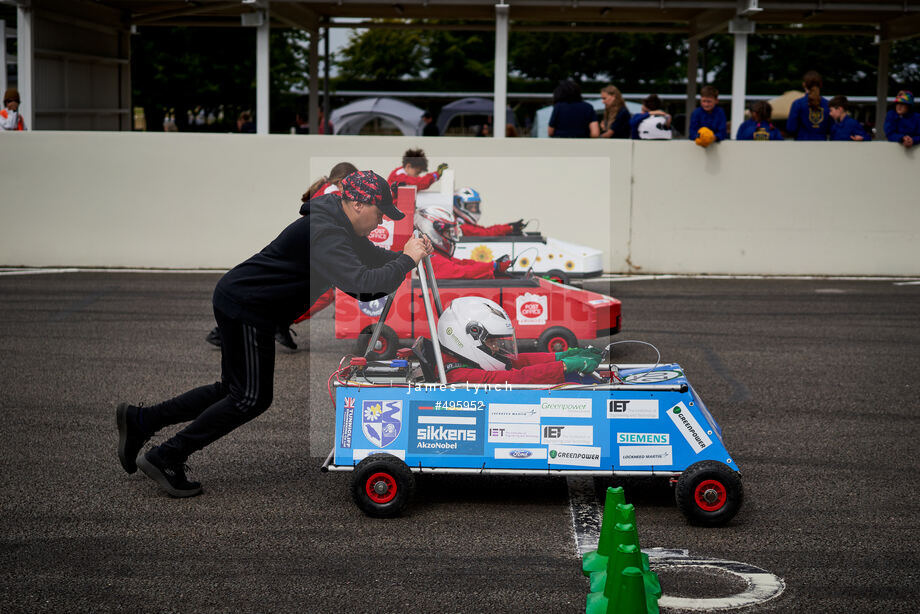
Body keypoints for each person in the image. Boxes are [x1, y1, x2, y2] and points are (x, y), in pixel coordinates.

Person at [117, 170, 433, 498]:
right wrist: (406, 259)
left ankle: (142, 420)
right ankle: (166, 455)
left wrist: (410, 259)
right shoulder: (325, 232)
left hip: (247, 303)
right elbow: (362, 283)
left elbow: (368, 284)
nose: (381, 221)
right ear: (356, 203)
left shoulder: (341, 227)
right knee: (250, 397)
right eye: (379, 212)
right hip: (248, 307)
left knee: (233, 390)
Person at [205, 162, 360, 350]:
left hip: (307, 252)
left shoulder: (329, 190)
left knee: (286, 293)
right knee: (315, 295)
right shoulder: (333, 195)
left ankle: (265, 323)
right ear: (343, 181)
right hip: (308, 255)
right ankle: (273, 323)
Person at [436, 297, 602, 385]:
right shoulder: (458, 376)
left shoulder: (463, 360)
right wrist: (565, 366)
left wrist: (562, 356)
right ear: (467, 338)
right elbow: (518, 378)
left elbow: (518, 362)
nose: (496, 347)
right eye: (491, 341)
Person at [414, 205, 513, 279]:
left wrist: (492, 265)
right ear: (431, 230)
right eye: (448, 232)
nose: (451, 236)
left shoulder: (434, 253)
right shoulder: (429, 257)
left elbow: (462, 263)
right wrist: (493, 267)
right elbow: (461, 272)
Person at [453, 187, 525, 237]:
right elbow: (484, 233)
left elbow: (484, 230)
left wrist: (507, 226)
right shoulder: (458, 225)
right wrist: (509, 228)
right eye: (471, 207)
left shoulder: (462, 222)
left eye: (475, 206)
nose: (474, 210)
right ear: (459, 205)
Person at [786, 71, 831, 141]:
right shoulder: (828, 104)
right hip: (822, 145)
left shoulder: (797, 103)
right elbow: (831, 128)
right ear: (821, 84)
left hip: (802, 145)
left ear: (804, 84)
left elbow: (791, 128)